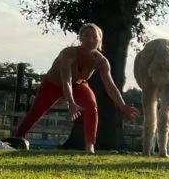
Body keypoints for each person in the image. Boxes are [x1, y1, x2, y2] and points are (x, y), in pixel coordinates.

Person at [11, 23, 139, 153]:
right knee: (37, 111)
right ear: (80, 38)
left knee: (91, 105)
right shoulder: (69, 53)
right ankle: (17, 138)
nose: (90, 40)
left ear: (100, 41)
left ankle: (90, 146)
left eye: (94, 37)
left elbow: (110, 86)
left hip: (78, 84)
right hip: (53, 83)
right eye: (86, 36)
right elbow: (67, 80)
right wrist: (71, 103)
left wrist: (122, 105)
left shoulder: (101, 61)